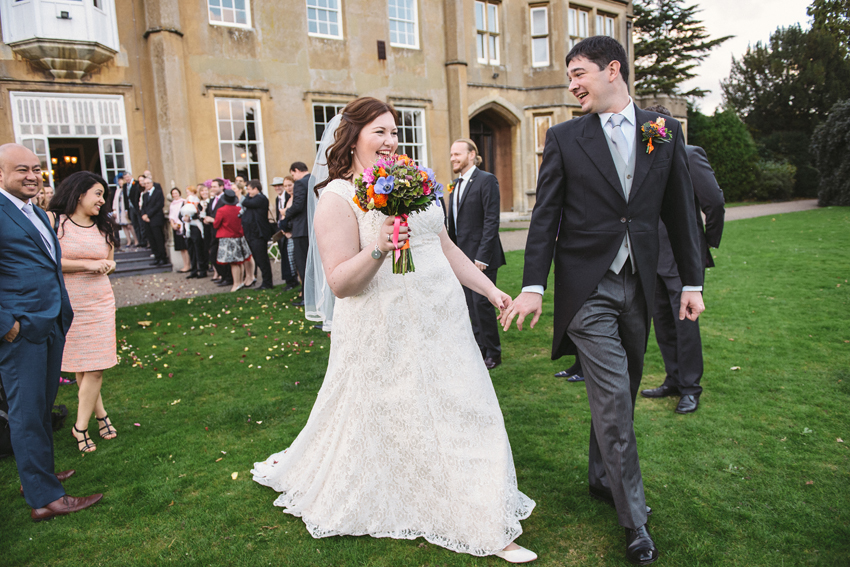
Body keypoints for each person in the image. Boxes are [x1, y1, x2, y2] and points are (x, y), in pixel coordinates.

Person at [252, 97, 536, 564]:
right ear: (353, 135)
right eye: (379, 131)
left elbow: (445, 246)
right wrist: (380, 247)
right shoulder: (337, 197)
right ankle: (473, 523)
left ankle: (479, 505)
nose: (390, 141)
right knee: (402, 413)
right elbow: (341, 283)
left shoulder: (413, 182)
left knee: (465, 406)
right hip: (383, 325)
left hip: (441, 318)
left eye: (394, 131)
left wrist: (489, 291)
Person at [500, 37, 705, 565]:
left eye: (578, 73)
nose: (572, 84)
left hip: (639, 285)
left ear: (613, 70)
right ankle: (634, 520)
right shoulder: (565, 137)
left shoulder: (663, 131)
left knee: (623, 392)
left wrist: (691, 283)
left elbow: (681, 212)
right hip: (586, 289)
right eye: (570, 75)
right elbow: (545, 216)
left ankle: (599, 476)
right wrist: (533, 285)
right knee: (614, 399)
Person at [0, 143, 103, 521]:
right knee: (26, 413)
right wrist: (6, 326)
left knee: (40, 409)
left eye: (37, 169)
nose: (32, 176)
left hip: (51, 323)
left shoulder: (37, 213)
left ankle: (37, 475)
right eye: (21, 170)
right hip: (20, 330)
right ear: (0, 175)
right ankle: (46, 500)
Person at [640, 105, 725, 415]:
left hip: (682, 257)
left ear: (662, 125)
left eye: (650, 126)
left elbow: (714, 203)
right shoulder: (644, 159)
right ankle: (673, 379)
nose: (645, 132)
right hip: (651, 256)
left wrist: (705, 242)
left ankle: (690, 388)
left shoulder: (689, 154)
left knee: (685, 323)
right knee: (662, 322)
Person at [46, 171, 119, 454]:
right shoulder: (55, 222)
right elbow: (49, 261)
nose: (102, 200)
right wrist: (87, 266)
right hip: (68, 304)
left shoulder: (105, 226)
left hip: (100, 302)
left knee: (96, 367)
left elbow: (111, 263)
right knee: (83, 365)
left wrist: (104, 266)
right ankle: (101, 416)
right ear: (79, 193)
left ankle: (80, 427)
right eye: (98, 194)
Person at [447, 139, 506, 370]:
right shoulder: (455, 184)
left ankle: (494, 352)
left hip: (483, 257)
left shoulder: (486, 180)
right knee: (469, 305)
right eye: (451, 154)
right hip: (461, 257)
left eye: (457, 154)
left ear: (472, 155)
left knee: (483, 304)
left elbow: (492, 221)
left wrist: (481, 257)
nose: (453, 158)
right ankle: (479, 348)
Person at [212, 189, 253, 292]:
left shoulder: (221, 210)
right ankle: (240, 281)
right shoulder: (238, 209)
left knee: (234, 262)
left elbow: (216, 224)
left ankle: (236, 283)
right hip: (239, 236)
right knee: (240, 261)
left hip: (227, 237)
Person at [283, 161, 310, 305]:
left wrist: (286, 212)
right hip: (311, 228)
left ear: (296, 170)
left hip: (301, 229)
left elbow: (298, 205)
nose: (293, 177)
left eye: (293, 174)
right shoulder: (313, 180)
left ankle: (307, 296)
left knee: (302, 264)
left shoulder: (300, 183)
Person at [241, 179, 274, 289]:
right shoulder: (253, 198)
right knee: (257, 258)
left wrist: (244, 195)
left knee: (262, 259)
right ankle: (263, 281)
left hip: (259, 234)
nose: (248, 192)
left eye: (249, 189)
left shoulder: (261, 199)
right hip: (252, 234)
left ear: (256, 189)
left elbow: (245, 202)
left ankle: (267, 282)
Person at [272, 176, 299, 291]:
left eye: (280, 185)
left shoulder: (291, 196)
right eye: (276, 186)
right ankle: (290, 281)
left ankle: (295, 282)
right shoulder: (277, 199)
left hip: (292, 231)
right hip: (282, 230)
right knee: (286, 256)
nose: (278, 188)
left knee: (294, 259)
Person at [204, 179, 233, 287]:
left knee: (224, 256)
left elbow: (226, 215)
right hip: (213, 232)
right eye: (212, 186)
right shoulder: (212, 200)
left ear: (221, 187)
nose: (212, 188)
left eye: (215, 186)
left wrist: (213, 220)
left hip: (223, 231)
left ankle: (228, 277)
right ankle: (223, 276)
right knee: (214, 256)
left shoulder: (226, 199)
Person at [180, 194, 209, 279]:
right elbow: (180, 215)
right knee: (191, 250)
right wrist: (184, 218)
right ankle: (193, 270)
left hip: (196, 229)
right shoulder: (184, 205)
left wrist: (191, 217)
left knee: (198, 250)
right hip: (188, 230)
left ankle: (202, 270)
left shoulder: (198, 205)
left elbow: (201, 215)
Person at [140, 176, 167, 266]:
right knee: (151, 239)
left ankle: (163, 257)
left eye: (148, 183)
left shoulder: (158, 193)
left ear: (152, 183)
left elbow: (159, 205)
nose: (146, 185)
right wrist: (144, 215)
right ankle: (157, 257)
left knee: (158, 239)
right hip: (147, 220)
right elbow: (143, 207)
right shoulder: (145, 195)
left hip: (156, 219)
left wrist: (148, 215)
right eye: (145, 184)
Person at [168, 187, 191, 273]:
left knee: (185, 247)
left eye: (176, 193)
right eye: (173, 193)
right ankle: (184, 264)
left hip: (182, 225)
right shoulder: (172, 204)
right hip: (175, 226)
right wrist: (172, 224)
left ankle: (188, 265)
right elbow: (171, 216)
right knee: (181, 248)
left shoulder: (183, 202)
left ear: (179, 193)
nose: (175, 195)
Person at [113, 173, 139, 247]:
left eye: (121, 181)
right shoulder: (118, 190)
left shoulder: (126, 188)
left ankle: (136, 239)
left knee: (129, 225)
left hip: (126, 209)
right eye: (119, 181)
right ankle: (128, 240)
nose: (120, 182)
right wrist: (114, 210)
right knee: (123, 226)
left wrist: (127, 209)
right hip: (120, 210)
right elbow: (115, 201)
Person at [129, 174, 146, 248]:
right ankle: (141, 240)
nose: (141, 182)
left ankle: (145, 241)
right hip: (137, 209)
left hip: (145, 211)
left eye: (142, 180)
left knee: (143, 226)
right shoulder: (137, 188)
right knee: (138, 225)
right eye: (139, 181)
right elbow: (133, 197)